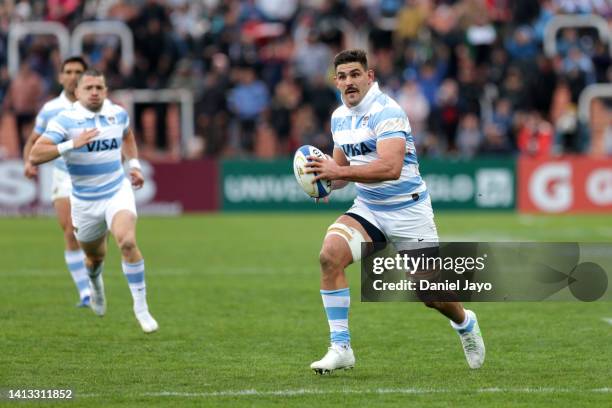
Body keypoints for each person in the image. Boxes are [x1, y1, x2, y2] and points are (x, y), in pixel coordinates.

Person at [304, 49, 485, 374]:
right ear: (336, 82)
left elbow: (390, 167)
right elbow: (342, 169)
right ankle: (340, 347)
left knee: (430, 295)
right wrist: (322, 180)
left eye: (355, 74)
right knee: (329, 255)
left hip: (408, 212)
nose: (349, 82)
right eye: (342, 76)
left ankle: (464, 322)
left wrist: (338, 173)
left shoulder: (388, 112)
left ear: (369, 77)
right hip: (370, 209)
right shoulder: (338, 117)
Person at [29, 69, 158, 333]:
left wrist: (134, 165)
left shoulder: (117, 113)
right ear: (77, 92)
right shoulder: (65, 120)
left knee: (128, 241)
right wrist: (71, 144)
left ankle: (141, 308)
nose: (95, 92)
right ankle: (95, 283)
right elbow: (35, 154)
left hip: (116, 191)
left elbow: (127, 135)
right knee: (94, 258)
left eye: (99, 87)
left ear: (106, 90)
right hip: (85, 203)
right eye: (89, 88)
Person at [22, 56, 91, 307]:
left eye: (78, 71)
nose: (73, 76)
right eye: (68, 71)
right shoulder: (51, 108)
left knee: (92, 235)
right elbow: (33, 140)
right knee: (70, 231)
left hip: (93, 176)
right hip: (63, 175)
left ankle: (93, 274)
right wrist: (29, 162)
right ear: (61, 77)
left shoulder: (97, 106)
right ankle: (85, 292)